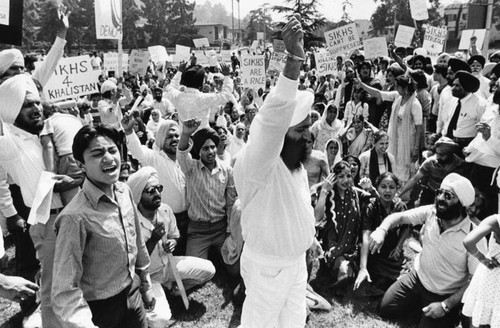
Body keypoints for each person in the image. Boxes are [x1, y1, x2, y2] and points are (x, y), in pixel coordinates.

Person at [233, 16, 317, 327]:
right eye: (302, 129)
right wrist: (294, 60)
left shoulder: (294, 163)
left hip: (296, 265)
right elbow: (274, 116)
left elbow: (299, 205)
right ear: (280, 134)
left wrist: (308, 238)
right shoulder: (257, 163)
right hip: (268, 269)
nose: (309, 136)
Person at [51, 125, 155, 328]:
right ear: (81, 164)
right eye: (98, 154)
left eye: (112, 150)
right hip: (100, 311)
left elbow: (137, 243)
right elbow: (64, 289)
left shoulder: (124, 191)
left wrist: (145, 285)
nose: (108, 158)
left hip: (132, 295)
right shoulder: (74, 217)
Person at [0, 75, 78, 328]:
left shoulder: (43, 134)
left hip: (68, 215)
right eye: (26, 105)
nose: (36, 108)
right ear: (11, 110)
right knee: (53, 289)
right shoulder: (9, 142)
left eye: (36, 103)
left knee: (75, 282)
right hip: (47, 222)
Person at [370, 173, 486, 328]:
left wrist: (446, 306)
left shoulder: (475, 236)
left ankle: (451, 312)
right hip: (417, 279)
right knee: (384, 309)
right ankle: (418, 303)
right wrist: (381, 230)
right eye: (439, 193)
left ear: (462, 203)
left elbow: (474, 281)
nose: (440, 198)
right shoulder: (431, 212)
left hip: (444, 295)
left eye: (448, 195)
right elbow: (399, 217)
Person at [127, 166, 215, 328]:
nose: (157, 193)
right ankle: (155, 294)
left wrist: (173, 242)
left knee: (209, 269)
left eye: (159, 188)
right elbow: (133, 261)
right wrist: (153, 240)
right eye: (151, 191)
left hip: (169, 265)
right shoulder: (131, 222)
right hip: (149, 277)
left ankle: (169, 289)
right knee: (160, 320)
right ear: (139, 195)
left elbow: (175, 235)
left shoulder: (165, 210)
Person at [123, 118, 188, 255]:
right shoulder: (154, 157)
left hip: (187, 219)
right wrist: (129, 131)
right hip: (166, 220)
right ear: (161, 138)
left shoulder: (184, 160)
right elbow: (137, 151)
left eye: (177, 135)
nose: (175, 139)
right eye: (170, 136)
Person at [177, 122, 237, 260]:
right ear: (199, 151)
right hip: (198, 231)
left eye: (212, 147)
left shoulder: (227, 171)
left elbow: (230, 203)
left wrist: (229, 232)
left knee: (234, 268)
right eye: (205, 148)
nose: (210, 152)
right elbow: (181, 155)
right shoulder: (191, 168)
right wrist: (185, 134)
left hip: (220, 229)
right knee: (193, 278)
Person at [314, 161, 370, 291]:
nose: (346, 180)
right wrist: (323, 192)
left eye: (349, 176)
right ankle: (332, 280)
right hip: (333, 243)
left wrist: (371, 188)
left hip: (351, 246)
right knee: (344, 273)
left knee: (348, 275)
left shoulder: (355, 193)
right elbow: (317, 217)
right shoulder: (329, 193)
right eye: (341, 176)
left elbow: (375, 199)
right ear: (334, 177)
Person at [357, 75, 423, 182]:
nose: (396, 88)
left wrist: (416, 148)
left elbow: (419, 128)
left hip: (407, 141)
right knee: (393, 162)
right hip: (394, 137)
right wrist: (362, 85)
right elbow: (379, 93)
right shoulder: (397, 96)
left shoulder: (415, 104)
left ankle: (403, 192)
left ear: (405, 88)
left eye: (398, 86)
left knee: (404, 166)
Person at [354, 172, 408, 292]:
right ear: (377, 188)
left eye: (391, 187)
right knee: (381, 283)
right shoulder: (371, 206)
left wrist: (398, 248)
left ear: (397, 190)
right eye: (383, 187)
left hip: (392, 253)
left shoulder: (400, 206)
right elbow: (365, 237)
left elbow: (406, 227)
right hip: (374, 254)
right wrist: (363, 268)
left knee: (404, 281)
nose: (387, 191)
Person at [165, 62, 235, 130]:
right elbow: (225, 95)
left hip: (183, 138)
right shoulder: (205, 98)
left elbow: (170, 87)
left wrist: (179, 72)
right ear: (201, 84)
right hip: (202, 138)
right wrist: (227, 76)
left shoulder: (178, 96)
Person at [398, 137, 466, 206]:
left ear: (450, 154)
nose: (438, 157)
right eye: (437, 153)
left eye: (441, 155)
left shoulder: (460, 164)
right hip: (431, 193)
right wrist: (400, 194)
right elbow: (414, 179)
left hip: (449, 196)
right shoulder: (430, 162)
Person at [462, 214, 500, 328]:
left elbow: (468, 241)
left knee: (480, 317)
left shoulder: (495, 220)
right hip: (491, 277)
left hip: (490, 275)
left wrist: (481, 257)